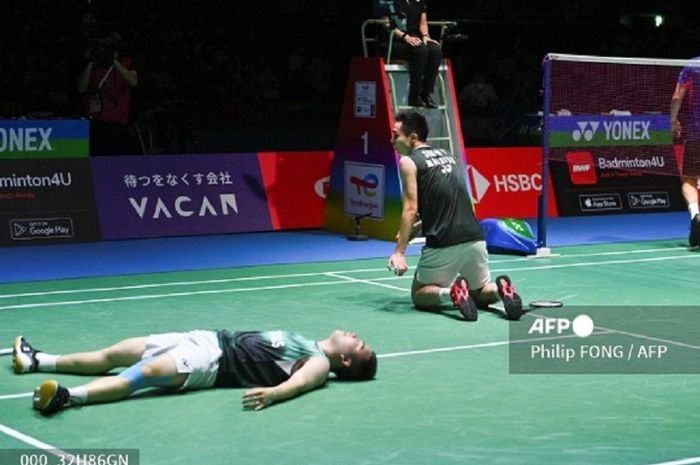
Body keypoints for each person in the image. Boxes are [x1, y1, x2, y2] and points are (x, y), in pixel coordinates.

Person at [12, 328, 376, 416]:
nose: (355, 337)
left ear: (344, 363)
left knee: (145, 372)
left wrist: (275, 394)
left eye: (358, 345)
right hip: (204, 338)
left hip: (212, 364)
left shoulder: (320, 363)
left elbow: (300, 384)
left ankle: (67, 397)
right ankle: (39, 360)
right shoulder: (311, 344)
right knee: (115, 352)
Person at [387, 111, 524, 321]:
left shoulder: (408, 161)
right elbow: (445, 202)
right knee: (479, 292)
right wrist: (417, 228)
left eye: (396, 135)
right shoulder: (447, 155)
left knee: (419, 294)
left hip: (444, 241)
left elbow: (410, 208)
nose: (392, 140)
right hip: (475, 237)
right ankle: (500, 290)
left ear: (412, 137)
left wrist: (399, 251)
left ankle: (450, 293)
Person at [77, 31, 139, 155]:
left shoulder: (126, 63)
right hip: (95, 121)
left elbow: (133, 82)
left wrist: (114, 62)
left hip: (117, 123)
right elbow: (81, 88)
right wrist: (91, 62)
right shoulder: (94, 67)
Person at [385, 0, 442, 108]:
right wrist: (405, 37)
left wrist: (425, 36)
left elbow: (423, 23)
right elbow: (386, 25)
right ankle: (414, 95)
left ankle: (426, 94)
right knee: (421, 51)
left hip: (414, 39)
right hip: (394, 41)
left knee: (435, 50)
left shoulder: (419, 2)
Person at [670, 56, 700, 247]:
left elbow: (677, 97)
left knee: (688, 179)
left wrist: (672, 121)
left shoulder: (693, 65)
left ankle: (695, 212)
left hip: (696, 133)